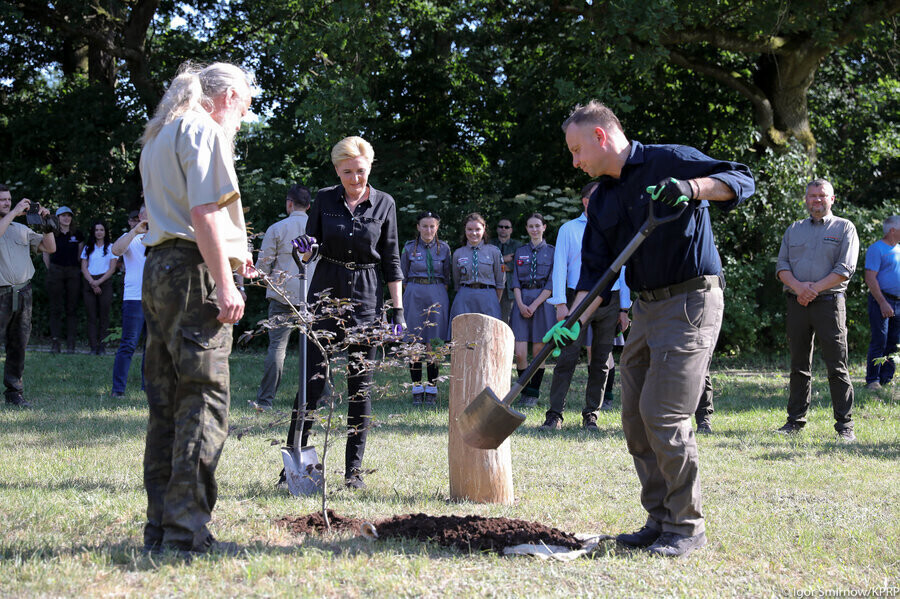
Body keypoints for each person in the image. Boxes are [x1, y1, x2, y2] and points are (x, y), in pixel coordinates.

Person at [547, 101, 754, 557]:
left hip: (691, 301)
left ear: (601, 136)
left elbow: (742, 179)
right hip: (645, 308)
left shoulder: (667, 159)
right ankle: (660, 519)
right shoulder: (601, 200)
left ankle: (686, 528)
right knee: (636, 419)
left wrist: (692, 187)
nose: (575, 161)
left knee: (664, 413)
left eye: (577, 150)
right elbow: (595, 277)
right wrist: (571, 323)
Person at [138, 61, 255, 554]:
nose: (242, 121)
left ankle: (160, 529)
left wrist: (233, 252)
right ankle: (187, 535)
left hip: (159, 269)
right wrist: (225, 283)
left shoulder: (160, 134)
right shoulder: (202, 129)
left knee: (166, 405)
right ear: (227, 97)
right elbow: (204, 213)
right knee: (203, 400)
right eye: (245, 108)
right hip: (193, 275)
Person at [291, 135, 404, 490]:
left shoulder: (385, 203)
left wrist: (397, 310)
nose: (355, 178)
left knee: (360, 387)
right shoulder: (324, 199)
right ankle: (294, 466)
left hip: (368, 298)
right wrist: (305, 249)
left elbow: (392, 259)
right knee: (311, 383)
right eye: (347, 172)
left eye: (360, 171)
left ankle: (353, 472)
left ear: (369, 167)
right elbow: (309, 250)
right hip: (325, 293)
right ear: (337, 171)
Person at [541, 182, 631, 430]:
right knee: (566, 359)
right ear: (585, 201)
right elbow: (559, 266)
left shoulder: (616, 228)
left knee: (601, 360)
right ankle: (555, 414)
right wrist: (560, 303)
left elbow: (623, 270)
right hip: (575, 301)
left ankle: (591, 414)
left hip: (610, 300)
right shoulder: (569, 229)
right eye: (597, 196)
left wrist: (624, 308)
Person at [775, 179, 858, 442]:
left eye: (822, 196)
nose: (817, 200)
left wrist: (812, 290)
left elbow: (845, 269)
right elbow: (781, 266)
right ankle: (794, 422)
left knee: (837, 366)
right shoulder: (794, 229)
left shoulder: (845, 227)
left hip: (829, 305)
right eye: (812, 196)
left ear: (832, 199)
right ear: (806, 199)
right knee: (799, 365)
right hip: (797, 304)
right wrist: (799, 288)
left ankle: (845, 426)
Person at [252, 184, 312, 411]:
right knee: (317, 348)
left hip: (282, 295)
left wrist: (262, 278)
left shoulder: (276, 228)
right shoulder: (319, 228)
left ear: (289, 203)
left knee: (277, 348)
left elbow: (264, 264)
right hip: (312, 295)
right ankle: (325, 398)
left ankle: (265, 401)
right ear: (308, 206)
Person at [0, 186, 56, 407]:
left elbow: (49, 247)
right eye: (2, 200)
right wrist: (14, 211)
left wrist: (47, 222)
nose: (6, 203)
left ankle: (14, 393)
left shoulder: (20, 229)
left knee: (18, 344)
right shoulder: (8, 222)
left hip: (23, 293)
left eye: (9, 199)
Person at [401, 210, 451, 405]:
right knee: (414, 341)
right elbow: (403, 275)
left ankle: (431, 387)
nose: (428, 229)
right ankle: (416, 388)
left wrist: (435, 291)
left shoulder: (445, 249)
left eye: (432, 226)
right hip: (414, 293)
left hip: (437, 293)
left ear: (437, 227)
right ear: (418, 227)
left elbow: (447, 276)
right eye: (425, 226)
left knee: (434, 343)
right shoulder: (409, 248)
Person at [509, 213, 555, 408]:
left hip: (543, 302)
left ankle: (533, 393)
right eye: (531, 226)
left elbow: (553, 282)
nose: (534, 229)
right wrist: (520, 304)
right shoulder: (520, 251)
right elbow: (516, 281)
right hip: (522, 300)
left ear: (544, 227)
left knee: (538, 350)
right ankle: (523, 390)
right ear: (527, 229)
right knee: (520, 352)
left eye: (538, 226)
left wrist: (535, 304)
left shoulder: (553, 252)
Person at [110, 206, 148, 398]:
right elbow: (115, 250)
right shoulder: (131, 236)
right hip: (134, 298)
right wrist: (135, 231)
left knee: (154, 345)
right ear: (140, 216)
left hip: (159, 298)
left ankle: (148, 388)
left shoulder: (165, 235)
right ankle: (118, 390)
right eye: (148, 210)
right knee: (129, 344)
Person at [863, 215, 900, 390]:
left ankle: (886, 379)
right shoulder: (876, 249)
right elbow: (870, 278)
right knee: (880, 340)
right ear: (892, 230)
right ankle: (873, 380)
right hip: (882, 300)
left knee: (894, 341)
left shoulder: (898, 248)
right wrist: (883, 302)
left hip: (898, 302)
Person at [449, 212, 504, 323]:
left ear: (484, 229)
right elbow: (456, 280)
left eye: (477, 229)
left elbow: (500, 282)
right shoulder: (458, 253)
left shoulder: (494, 251)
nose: (473, 233)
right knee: (463, 332)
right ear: (465, 230)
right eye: (470, 229)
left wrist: (493, 300)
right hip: (464, 297)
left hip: (488, 296)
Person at [43, 206, 83, 353]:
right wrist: (51, 269)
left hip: (73, 272)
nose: (66, 218)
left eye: (69, 216)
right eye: (63, 216)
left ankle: (71, 344)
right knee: (56, 308)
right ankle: (55, 343)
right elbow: (46, 253)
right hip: (56, 271)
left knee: (71, 308)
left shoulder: (77, 234)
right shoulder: (52, 233)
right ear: (57, 218)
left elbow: (80, 254)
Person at [80, 221, 117, 355]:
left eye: (101, 230)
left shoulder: (111, 247)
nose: (99, 232)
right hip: (89, 282)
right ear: (93, 232)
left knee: (104, 316)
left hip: (105, 282)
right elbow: (84, 267)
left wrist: (99, 282)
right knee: (91, 316)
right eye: (96, 230)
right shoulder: (88, 248)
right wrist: (92, 282)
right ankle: (93, 347)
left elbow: (112, 268)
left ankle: (102, 347)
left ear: (105, 232)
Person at [491, 217, 518, 322]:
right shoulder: (489, 244)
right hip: (491, 287)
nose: (503, 229)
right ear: (497, 229)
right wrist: (504, 259)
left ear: (511, 230)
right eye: (500, 226)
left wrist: (497, 264)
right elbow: (486, 264)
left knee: (506, 319)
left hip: (509, 289)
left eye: (506, 227)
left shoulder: (517, 246)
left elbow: (515, 266)